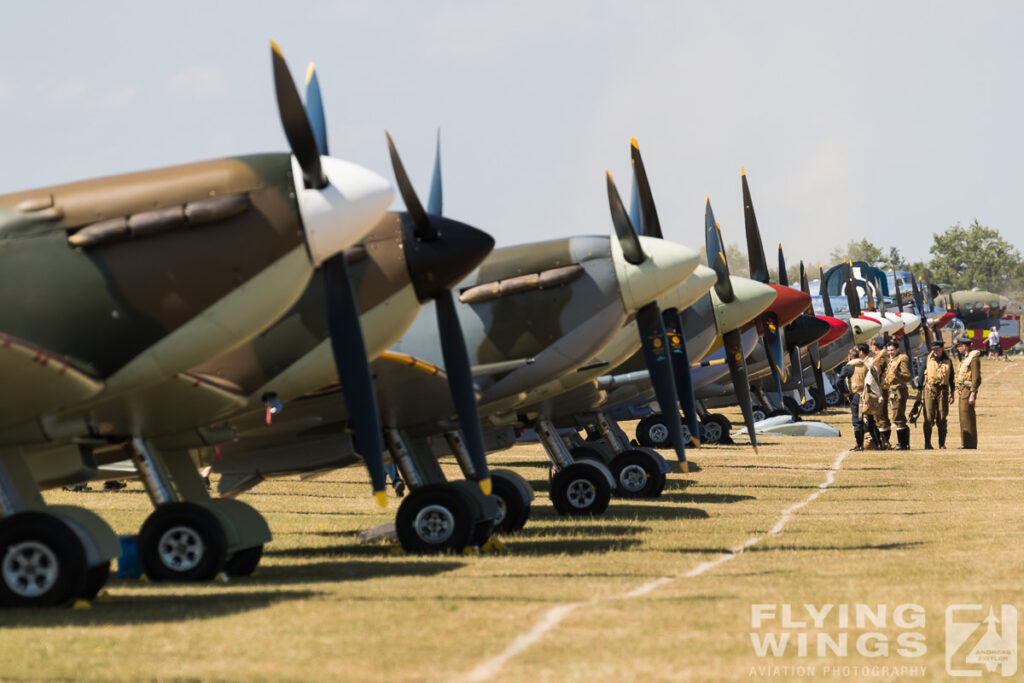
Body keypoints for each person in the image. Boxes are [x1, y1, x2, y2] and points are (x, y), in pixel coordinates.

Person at [916, 339, 954, 449]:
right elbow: (920, 375)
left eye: (938, 348)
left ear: (942, 348)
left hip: (943, 390)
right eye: (934, 349)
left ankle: (942, 443)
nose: (936, 351)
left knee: (942, 416)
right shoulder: (927, 359)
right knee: (929, 416)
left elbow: (951, 377)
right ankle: (927, 443)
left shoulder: (948, 360)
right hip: (930, 389)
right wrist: (919, 391)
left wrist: (952, 393)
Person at [883, 339, 913, 449]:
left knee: (898, 416)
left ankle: (903, 444)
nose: (890, 352)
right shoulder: (891, 359)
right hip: (892, 391)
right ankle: (903, 443)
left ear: (897, 349)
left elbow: (908, 376)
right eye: (888, 350)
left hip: (899, 391)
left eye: (892, 350)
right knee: (896, 416)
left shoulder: (902, 359)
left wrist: (897, 373)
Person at [954, 335, 982, 449]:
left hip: (968, 390)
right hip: (962, 390)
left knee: (967, 416)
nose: (958, 348)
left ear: (964, 346)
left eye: (959, 346)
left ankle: (970, 444)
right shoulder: (966, 357)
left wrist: (973, 393)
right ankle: (965, 442)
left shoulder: (973, 358)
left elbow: (976, 377)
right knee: (963, 416)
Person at [857, 343, 885, 450]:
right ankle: (872, 442)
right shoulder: (864, 362)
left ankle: (876, 443)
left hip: (868, 394)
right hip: (863, 393)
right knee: (866, 420)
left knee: (869, 419)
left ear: (861, 352)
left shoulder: (869, 362)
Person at [837, 348, 864, 450]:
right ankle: (877, 443)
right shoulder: (865, 365)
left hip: (855, 395)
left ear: (849, 357)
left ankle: (860, 445)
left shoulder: (849, 367)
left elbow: (839, 381)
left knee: (856, 420)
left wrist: (845, 392)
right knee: (868, 419)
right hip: (867, 395)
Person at [869, 336, 891, 449]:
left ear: (874, 346)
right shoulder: (882, 357)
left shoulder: (880, 359)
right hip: (882, 390)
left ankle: (884, 442)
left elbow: (875, 375)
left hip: (879, 390)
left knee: (880, 416)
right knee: (882, 415)